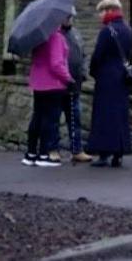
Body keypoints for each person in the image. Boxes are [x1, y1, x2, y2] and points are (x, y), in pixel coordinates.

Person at [21, 16, 74, 167]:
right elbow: (56, 64)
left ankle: (31, 153)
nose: (70, 20)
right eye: (68, 18)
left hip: (38, 83)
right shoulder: (56, 37)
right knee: (50, 119)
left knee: (37, 117)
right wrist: (68, 78)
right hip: (53, 84)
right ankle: (44, 154)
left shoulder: (38, 38)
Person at [87, 0, 132, 168]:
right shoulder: (128, 30)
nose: (100, 15)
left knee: (104, 116)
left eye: (102, 11)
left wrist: (94, 72)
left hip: (107, 78)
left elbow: (98, 55)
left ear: (109, 11)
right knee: (120, 115)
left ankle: (104, 153)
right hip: (122, 78)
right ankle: (119, 153)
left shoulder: (107, 31)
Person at [48, 11, 91, 163]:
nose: (69, 19)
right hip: (58, 84)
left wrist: (83, 72)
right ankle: (52, 149)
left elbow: (84, 54)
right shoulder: (53, 35)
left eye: (70, 16)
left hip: (75, 84)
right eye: (66, 17)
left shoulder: (76, 34)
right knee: (54, 118)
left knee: (75, 119)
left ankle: (77, 149)